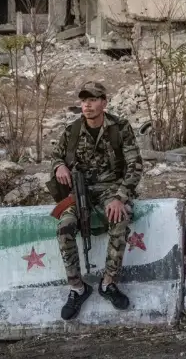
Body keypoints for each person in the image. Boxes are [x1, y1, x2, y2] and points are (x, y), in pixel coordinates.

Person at [49, 80, 142, 320]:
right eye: (83, 100)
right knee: (64, 228)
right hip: (79, 192)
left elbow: (135, 165)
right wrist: (59, 166)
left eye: (92, 99)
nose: (87, 105)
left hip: (111, 189)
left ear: (104, 102)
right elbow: (55, 156)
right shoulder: (72, 131)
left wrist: (120, 197)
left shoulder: (119, 128)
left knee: (120, 220)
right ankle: (77, 288)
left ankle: (108, 283)